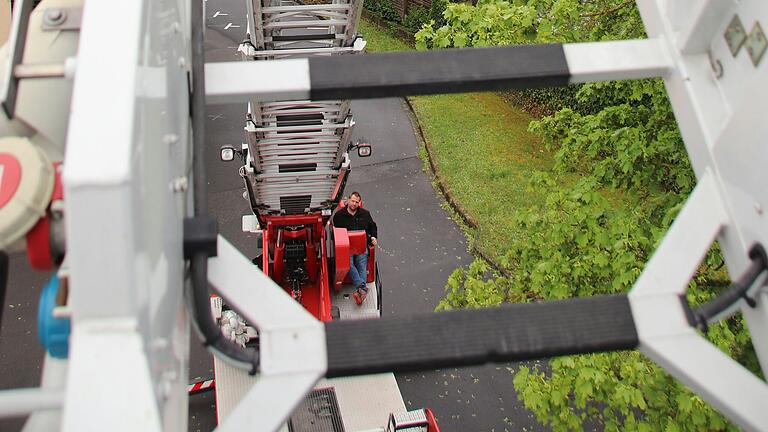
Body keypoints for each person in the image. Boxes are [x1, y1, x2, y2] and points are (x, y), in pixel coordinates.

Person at [332, 191, 377, 305]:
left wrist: (373, 237)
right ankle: (362, 287)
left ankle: (361, 290)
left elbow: (373, 226)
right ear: (348, 201)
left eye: (357, 202)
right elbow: (335, 232)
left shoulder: (365, 214)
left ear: (359, 203)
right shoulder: (339, 216)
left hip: (361, 246)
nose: (354, 204)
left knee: (362, 265)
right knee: (348, 264)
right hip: (347, 247)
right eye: (352, 201)